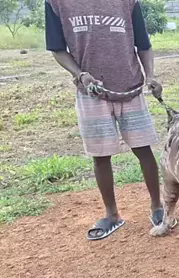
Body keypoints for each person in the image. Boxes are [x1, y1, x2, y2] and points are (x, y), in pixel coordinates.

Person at [45, 0, 167, 240]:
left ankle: (158, 207)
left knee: (143, 149)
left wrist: (151, 76)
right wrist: (80, 74)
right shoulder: (57, 3)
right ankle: (112, 215)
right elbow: (57, 49)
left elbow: (143, 44)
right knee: (100, 156)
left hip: (131, 88)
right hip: (91, 93)